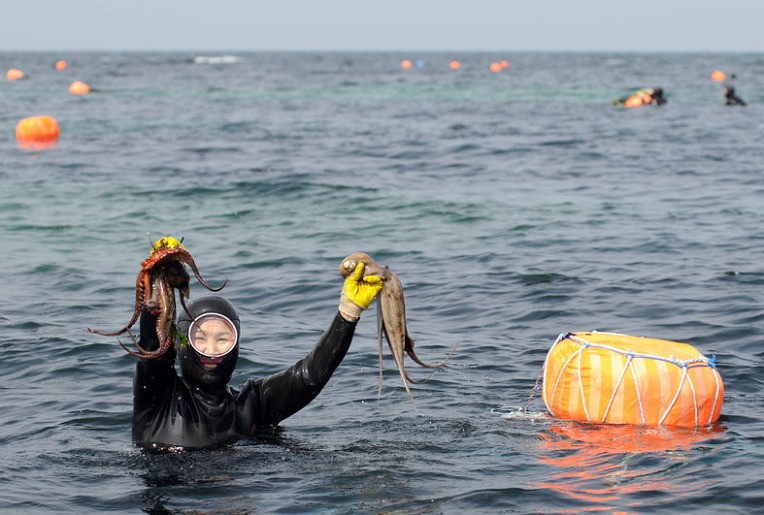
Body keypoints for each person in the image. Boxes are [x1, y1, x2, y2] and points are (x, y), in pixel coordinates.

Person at [132, 255, 383, 451]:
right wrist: (152, 315)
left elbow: (309, 376)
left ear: (236, 345)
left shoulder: (253, 403)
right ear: (183, 343)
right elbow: (153, 356)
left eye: (223, 339)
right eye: (200, 339)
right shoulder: (159, 399)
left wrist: (348, 314)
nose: (211, 351)